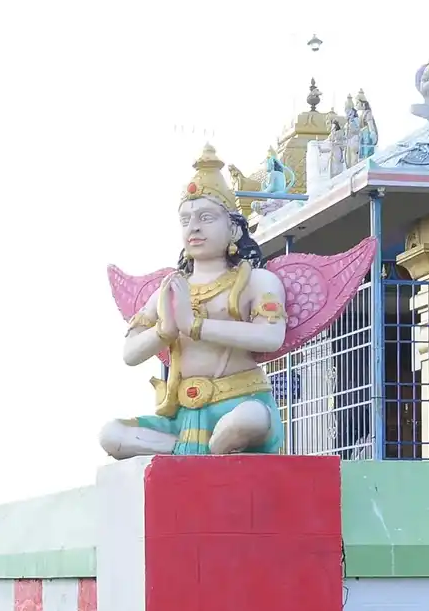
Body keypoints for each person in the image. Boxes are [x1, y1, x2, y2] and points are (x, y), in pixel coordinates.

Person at [99, 146, 288, 458]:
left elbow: (271, 336)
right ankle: (194, 451)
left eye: (206, 218)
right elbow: (129, 354)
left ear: (234, 227)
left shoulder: (256, 280)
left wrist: (196, 325)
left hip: (241, 400)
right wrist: (165, 330)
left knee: (248, 421)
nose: (194, 228)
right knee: (111, 434)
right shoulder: (169, 289)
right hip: (183, 415)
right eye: (186, 220)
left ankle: (212, 448)